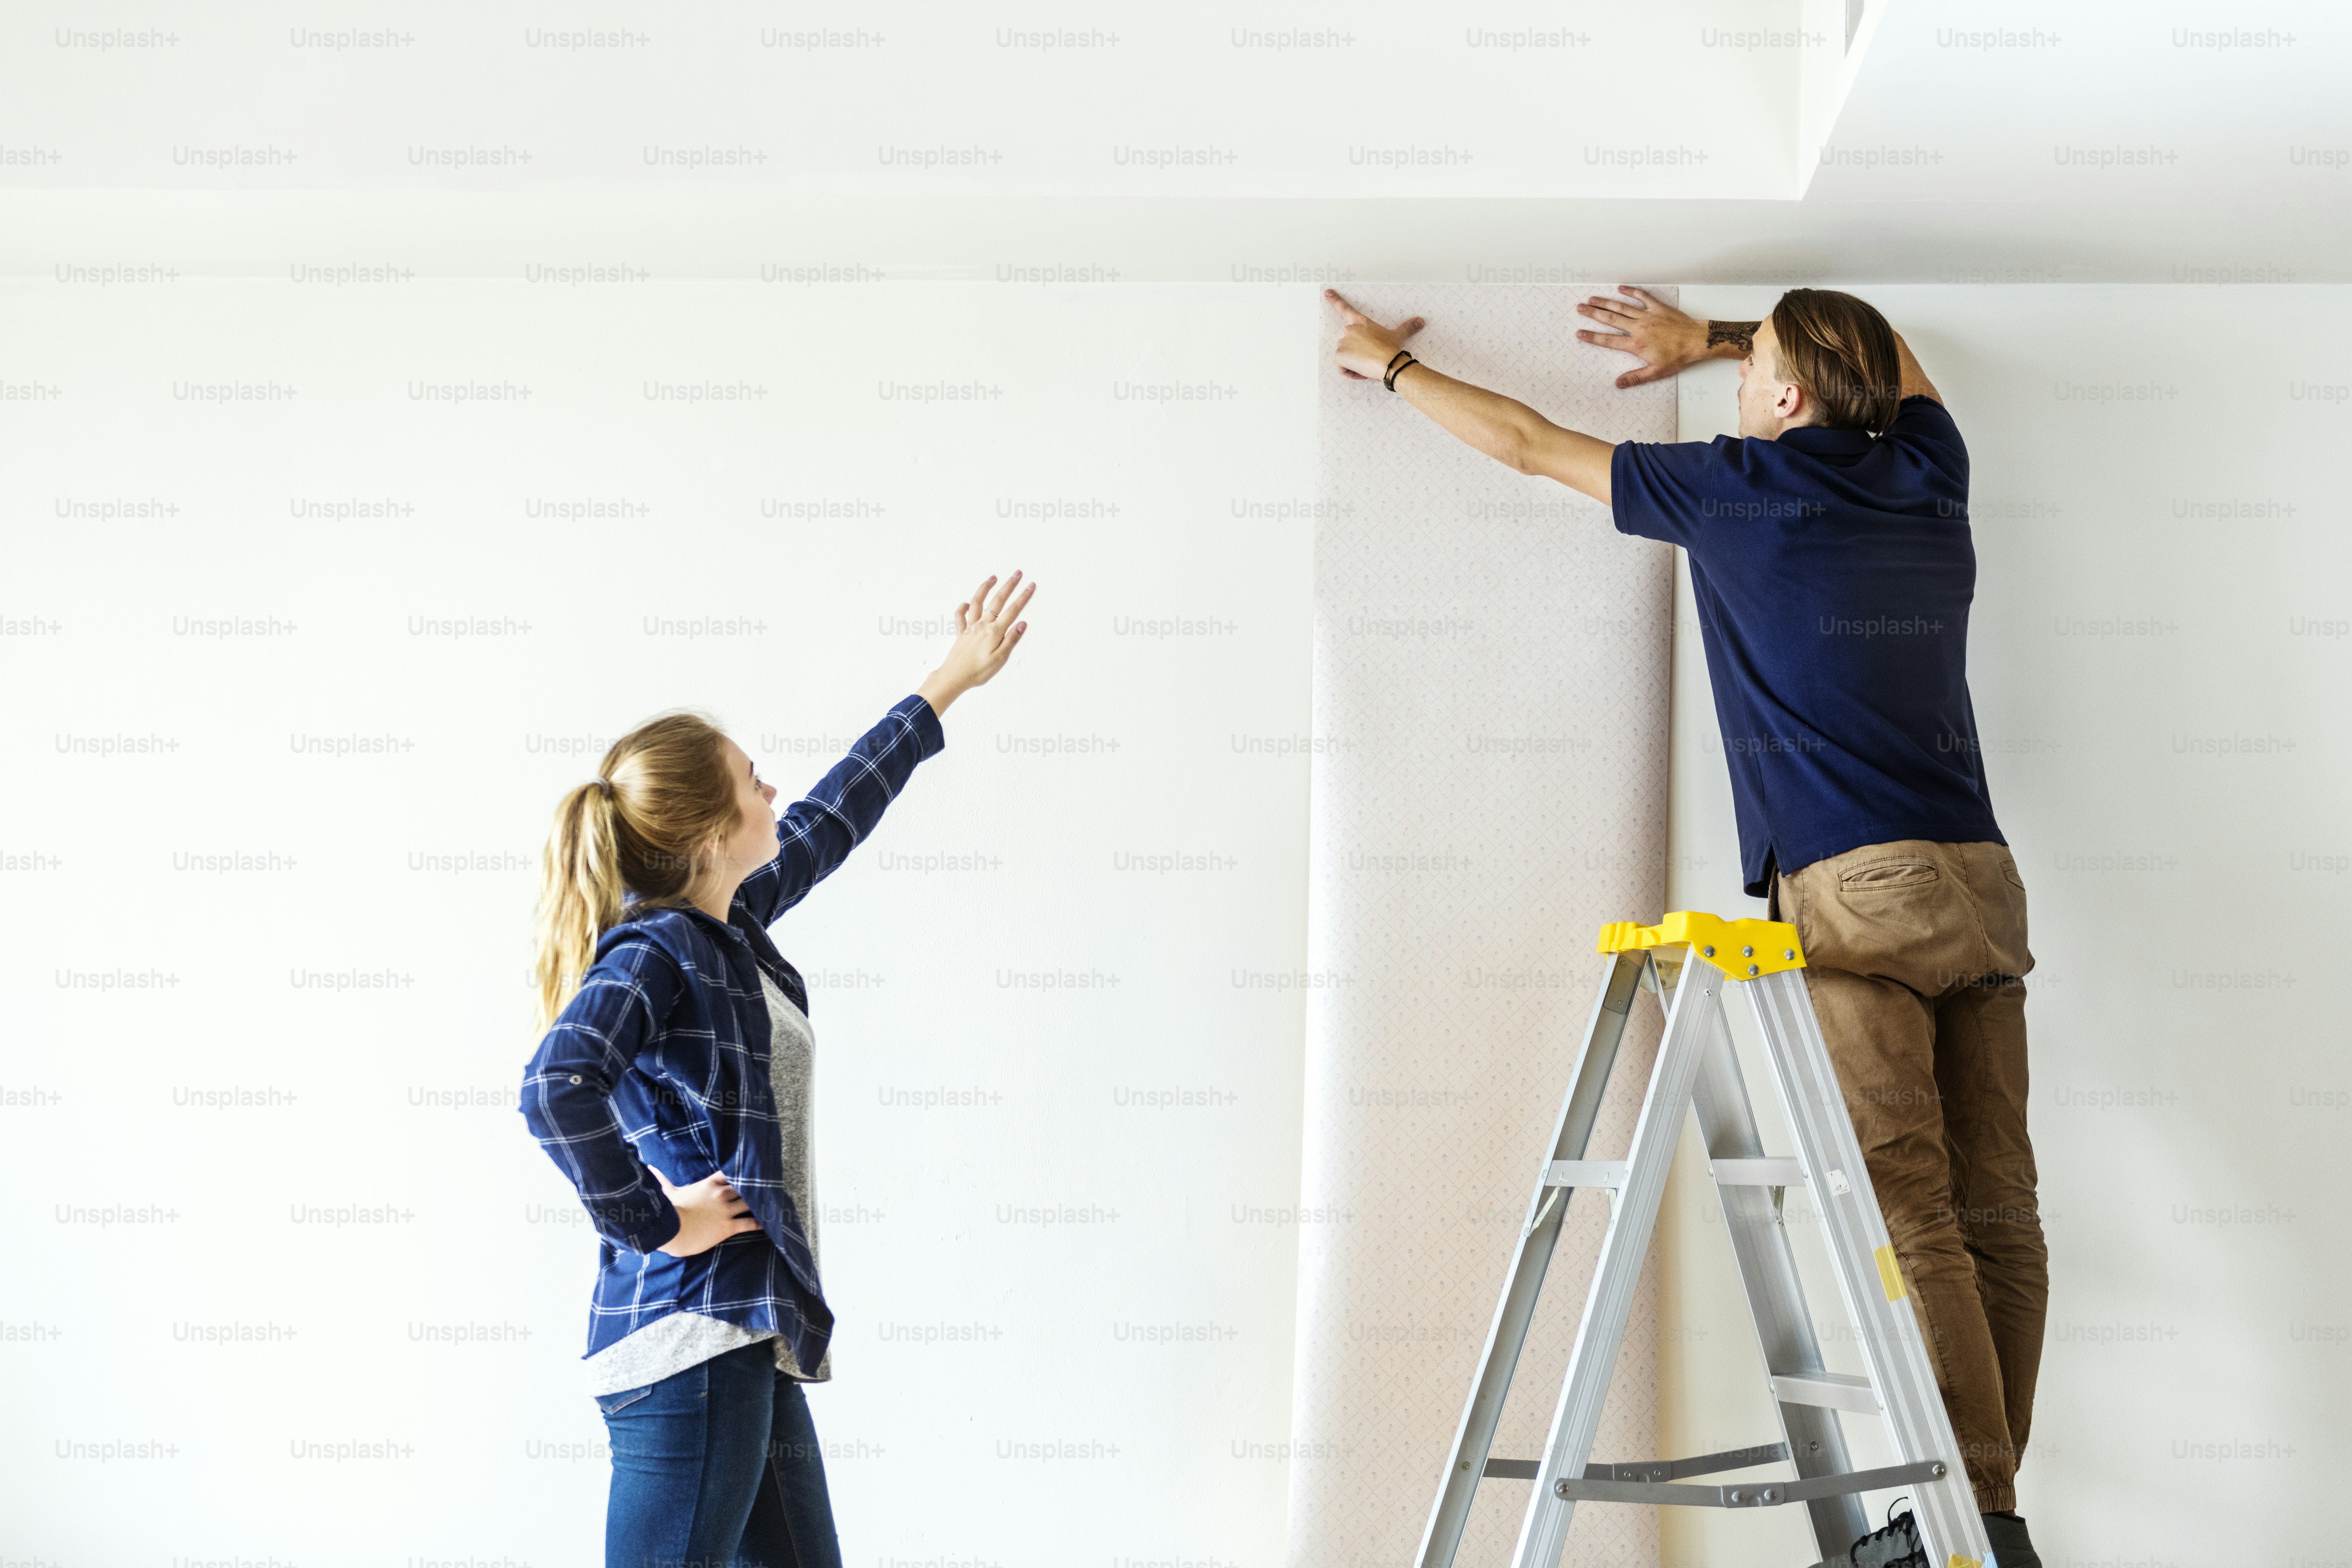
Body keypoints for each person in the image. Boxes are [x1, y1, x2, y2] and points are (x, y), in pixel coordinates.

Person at [1326, 286, 2045, 1568]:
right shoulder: (1931, 470)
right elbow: (1891, 353)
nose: (1730, 380)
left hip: (1854, 890)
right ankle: (1987, 1516)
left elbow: (1531, 443)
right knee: (2002, 1214)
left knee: (1919, 1214)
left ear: (1784, 399)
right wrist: (1715, 335)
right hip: (1980, 884)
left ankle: (1974, 1533)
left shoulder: (1738, 488)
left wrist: (1391, 372)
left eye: (1747, 364)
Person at [521, 571, 1035, 1568]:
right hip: (691, 1341)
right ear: (712, 837)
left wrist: (945, 685)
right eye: (754, 779)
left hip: (741, 1336)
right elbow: (555, 1087)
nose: (774, 792)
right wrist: (661, 1222)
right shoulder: (655, 954)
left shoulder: (727, 930)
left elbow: (833, 818)